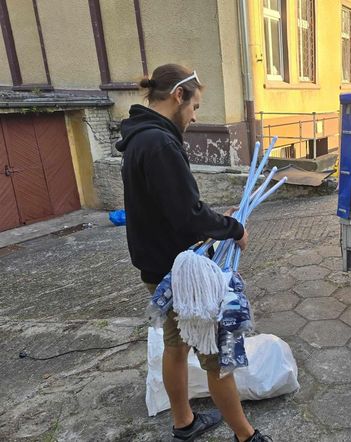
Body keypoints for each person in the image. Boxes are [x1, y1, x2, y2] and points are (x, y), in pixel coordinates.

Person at [116, 64, 270, 442]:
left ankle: (184, 422)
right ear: (178, 96)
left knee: (176, 343)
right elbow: (188, 216)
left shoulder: (139, 138)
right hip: (182, 275)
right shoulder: (160, 143)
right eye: (195, 106)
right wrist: (234, 229)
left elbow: (174, 205)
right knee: (216, 355)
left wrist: (216, 219)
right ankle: (245, 436)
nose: (195, 116)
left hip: (157, 266)